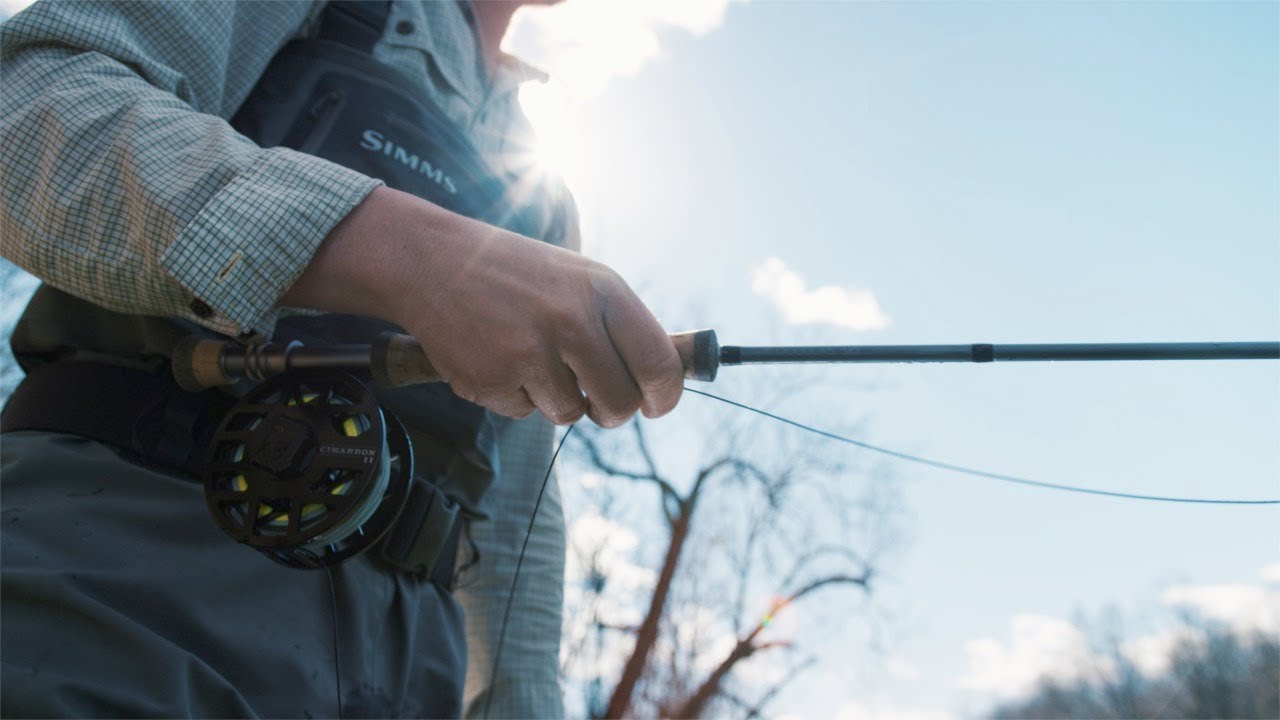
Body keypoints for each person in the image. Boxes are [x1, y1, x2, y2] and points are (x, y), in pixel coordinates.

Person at [0, 0, 684, 717]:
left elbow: (517, 504)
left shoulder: (548, 199)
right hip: (122, 567)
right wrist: (415, 257)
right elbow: (26, 96)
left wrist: (523, 702)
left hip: (413, 671)